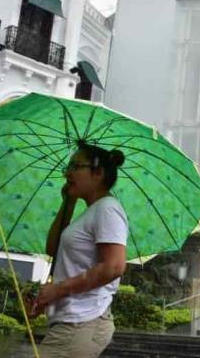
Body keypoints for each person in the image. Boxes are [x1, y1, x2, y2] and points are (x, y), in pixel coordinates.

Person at [30, 143, 129, 358]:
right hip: (71, 323)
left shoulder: (107, 209)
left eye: (75, 166)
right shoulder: (91, 211)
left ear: (98, 173)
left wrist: (58, 290)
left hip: (82, 323)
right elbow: (52, 248)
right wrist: (68, 203)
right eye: (68, 167)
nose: (67, 173)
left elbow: (114, 266)